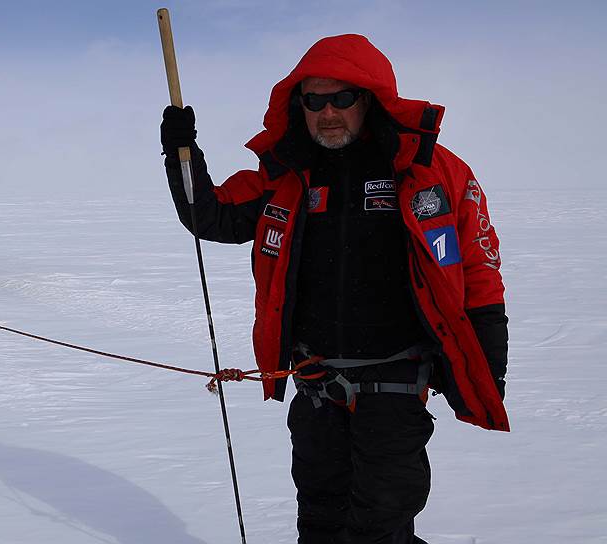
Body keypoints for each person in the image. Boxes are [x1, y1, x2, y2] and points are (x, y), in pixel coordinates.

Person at [160, 34, 509, 543]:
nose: (328, 112)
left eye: (342, 98)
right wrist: (181, 152)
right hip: (316, 385)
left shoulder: (433, 172)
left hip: (396, 384)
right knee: (320, 522)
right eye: (314, 100)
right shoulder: (285, 176)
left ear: (370, 100)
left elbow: (478, 269)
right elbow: (209, 213)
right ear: (298, 106)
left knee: (380, 527)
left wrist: (484, 365)